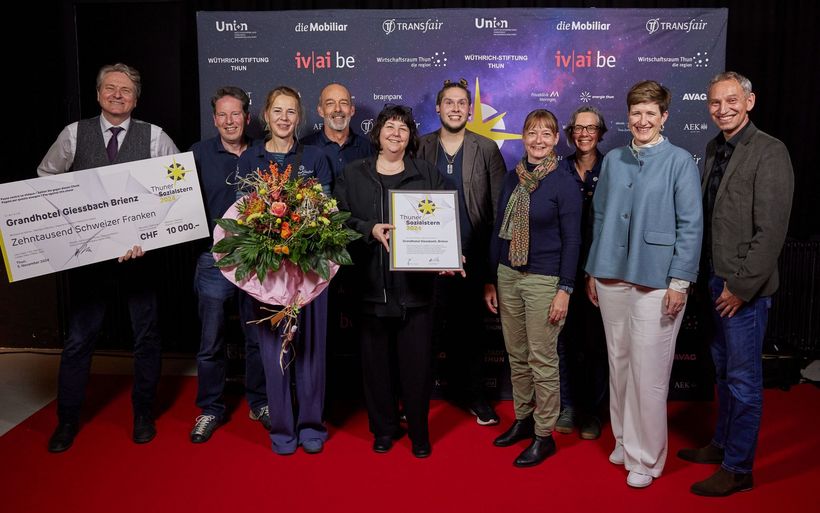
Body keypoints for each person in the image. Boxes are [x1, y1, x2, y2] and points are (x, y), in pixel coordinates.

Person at [38, 62, 179, 452]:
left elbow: (175, 187)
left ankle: (143, 413)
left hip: (140, 256)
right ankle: (67, 420)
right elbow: (46, 179)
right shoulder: (73, 134)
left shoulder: (155, 137)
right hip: (89, 258)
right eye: (110, 89)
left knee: (146, 337)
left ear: (136, 98)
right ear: (99, 94)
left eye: (126, 90)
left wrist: (148, 234)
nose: (118, 95)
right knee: (80, 338)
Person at [678, 71, 794, 497]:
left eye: (731, 101)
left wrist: (740, 287)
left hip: (742, 290)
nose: (722, 109)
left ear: (750, 102)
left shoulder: (770, 151)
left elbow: (771, 232)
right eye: (714, 103)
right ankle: (723, 445)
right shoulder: (714, 148)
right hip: (713, 280)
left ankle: (739, 467)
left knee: (744, 380)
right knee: (723, 371)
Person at [585, 80, 703, 488]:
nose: (642, 119)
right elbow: (600, 217)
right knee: (618, 364)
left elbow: (691, 226)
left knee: (648, 373)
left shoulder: (680, 162)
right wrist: (592, 270)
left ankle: (647, 458)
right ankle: (624, 439)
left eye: (651, 113)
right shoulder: (614, 160)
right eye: (636, 112)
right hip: (611, 273)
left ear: (664, 117)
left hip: (658, 281)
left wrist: (680, 282)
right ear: (628, 116)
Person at [334, 105, 446, 458]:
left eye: (403, 128)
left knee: (417, 368)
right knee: (376, 367)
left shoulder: (426, 173)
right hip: (370, 288)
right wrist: (368, 229)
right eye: (390, 126)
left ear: (410, 137)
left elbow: (448, 218)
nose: (396, 133)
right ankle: (383, 429)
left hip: (416, 291)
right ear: (377, 132)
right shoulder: (353, 174)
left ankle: (419, 432)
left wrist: (450, 251)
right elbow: (336, 221)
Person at [237, 86, 333, 455]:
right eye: (278, 111)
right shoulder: (250, 160)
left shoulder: (317, 156)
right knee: (273, 354)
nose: (284, 118)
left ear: (300, 117)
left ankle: (311, 425)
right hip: (269, 275)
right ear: (265, 115)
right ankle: (281, 429)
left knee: (311, 351)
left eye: (291, 112)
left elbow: (325, 213)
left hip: (311, 273)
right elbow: (242, 219)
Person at [485, 109, 582, 467]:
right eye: (531, 133)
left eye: (546, 134)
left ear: (556, 139)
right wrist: (490, 279)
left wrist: (565, 289)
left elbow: (573, 241)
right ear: (523, 138)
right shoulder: (513, 178)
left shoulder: (564, 182)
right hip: (509, 275)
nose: (538, 140)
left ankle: (544, 434)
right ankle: (523, 420)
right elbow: (499, 228)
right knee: (517, 354)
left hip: (545, 279)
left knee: (543, 359)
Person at [417, 79, 506, 425]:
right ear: (438, 108)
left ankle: (473, 396)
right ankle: (416, 399)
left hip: (472, 260)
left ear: (470, 109)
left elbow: (500, 213)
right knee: (424, 335)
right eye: (448, 103)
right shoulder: (421, 147)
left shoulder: (486, 149)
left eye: (461, 103)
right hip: (427, 260)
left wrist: (490, 274)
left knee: (470, 334)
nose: (455, 108)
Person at [188, 86, 269, 443]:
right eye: (222, 114)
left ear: (247, 117)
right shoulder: (197, 154)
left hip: (255, 259)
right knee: (211, 340)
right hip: (213, 259)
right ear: (214, 119)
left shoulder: (263, 153)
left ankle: (260, 401)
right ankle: (210, 408)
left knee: (257, 335)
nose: (229, 121)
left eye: (235, 114)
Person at [554, 106, 609, 440]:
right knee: (561, 341)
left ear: (600, 132)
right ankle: (568, 405)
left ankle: (592, 411)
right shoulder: (558, 169)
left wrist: (598, 271)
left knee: (594, 344)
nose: (584, 134)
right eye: (578, 128)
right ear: (570, 132)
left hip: (599, 272)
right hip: (561, 270)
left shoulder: (614, 167)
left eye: (591, 128)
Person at [300, 82, 373, 178]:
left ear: (352, 110)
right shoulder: (303, 148)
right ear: (320, 111)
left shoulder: (368, 150)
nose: (338, 109)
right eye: (330, 103)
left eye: (343, 103)